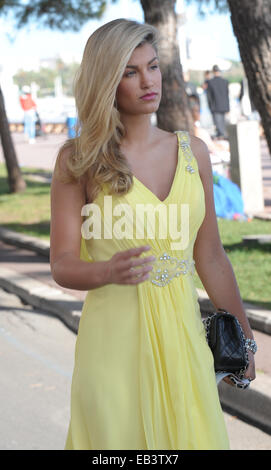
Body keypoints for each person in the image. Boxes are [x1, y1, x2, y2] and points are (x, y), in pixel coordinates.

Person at [50, 19, 256, 450]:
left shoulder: (193, 152)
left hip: (182, 339)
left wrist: (245, 338)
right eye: (130, 71)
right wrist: (106, 270)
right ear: (107, 80)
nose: (148, 81)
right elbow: (62, 264)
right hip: (112, 343)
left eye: (153, 66)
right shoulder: (78, 160)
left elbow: (212, 256)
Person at [206, 65, 230, 139]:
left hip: (215, 107)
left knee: (219, 126)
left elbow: (209, 97)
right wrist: (228, 107)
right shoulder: (225, 81)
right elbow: (227, 95)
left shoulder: (210, 82)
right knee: (222, 124)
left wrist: (210, 107)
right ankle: (224, 137)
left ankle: (223, 137)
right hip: (224, 106)